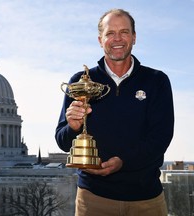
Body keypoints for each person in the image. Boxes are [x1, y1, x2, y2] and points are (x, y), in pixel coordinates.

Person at [55, 9, 174, 216]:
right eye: (110, 33)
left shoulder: (156, 81)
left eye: (124, 32)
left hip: (146, 200)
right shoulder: (80, 81)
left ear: (134, 37)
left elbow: (161, 138)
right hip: (93, 199)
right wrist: (73, 127)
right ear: (100, 40)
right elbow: (62, 141)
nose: (117, 39)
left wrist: (123, 162)